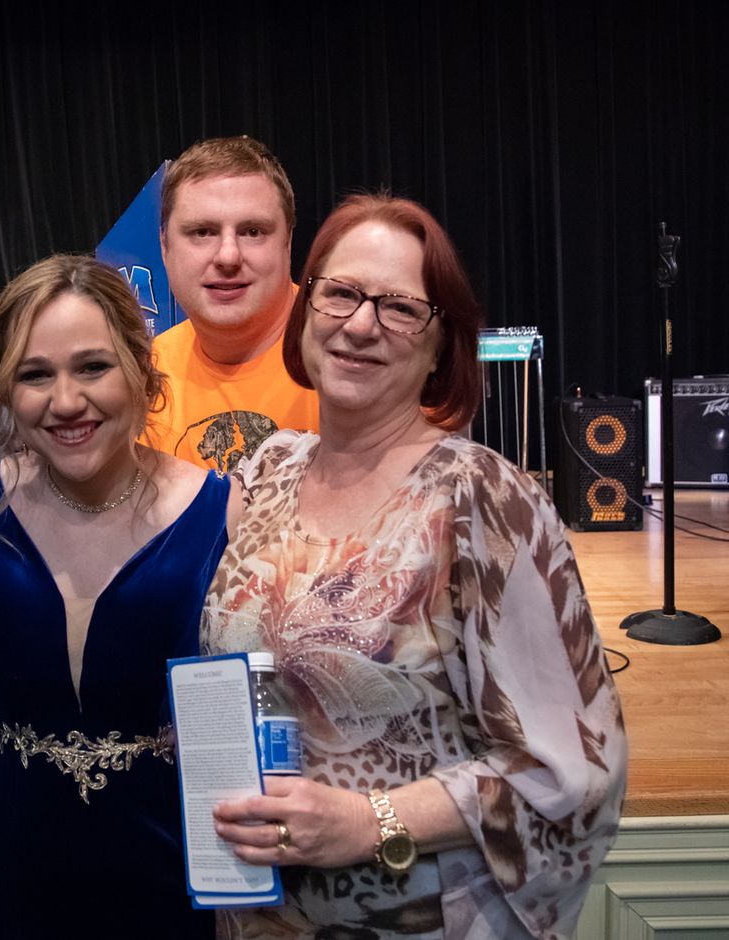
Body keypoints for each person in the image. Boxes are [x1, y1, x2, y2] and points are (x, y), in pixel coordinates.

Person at [203, 194, 626, 939]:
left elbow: (574, 768)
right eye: (340, 293)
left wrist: (371, 820)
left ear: (440, 348)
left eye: (400, 308)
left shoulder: (480, 496)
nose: (361, 324)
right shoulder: (270, 469)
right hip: (259, 916)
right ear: (306, 309)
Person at [0, 255, 239, 940]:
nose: (65, 401)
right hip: (8, 864)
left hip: (169, 870)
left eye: (92, 367)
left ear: (141, 368)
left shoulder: (224, 511)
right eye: (35, 374)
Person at [152, 136, 319, 473]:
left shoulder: (356, 355)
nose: (228, 256)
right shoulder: (142, 378)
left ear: (287, 244)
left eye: (253, 231)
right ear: (165, 247)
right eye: (202, 232)